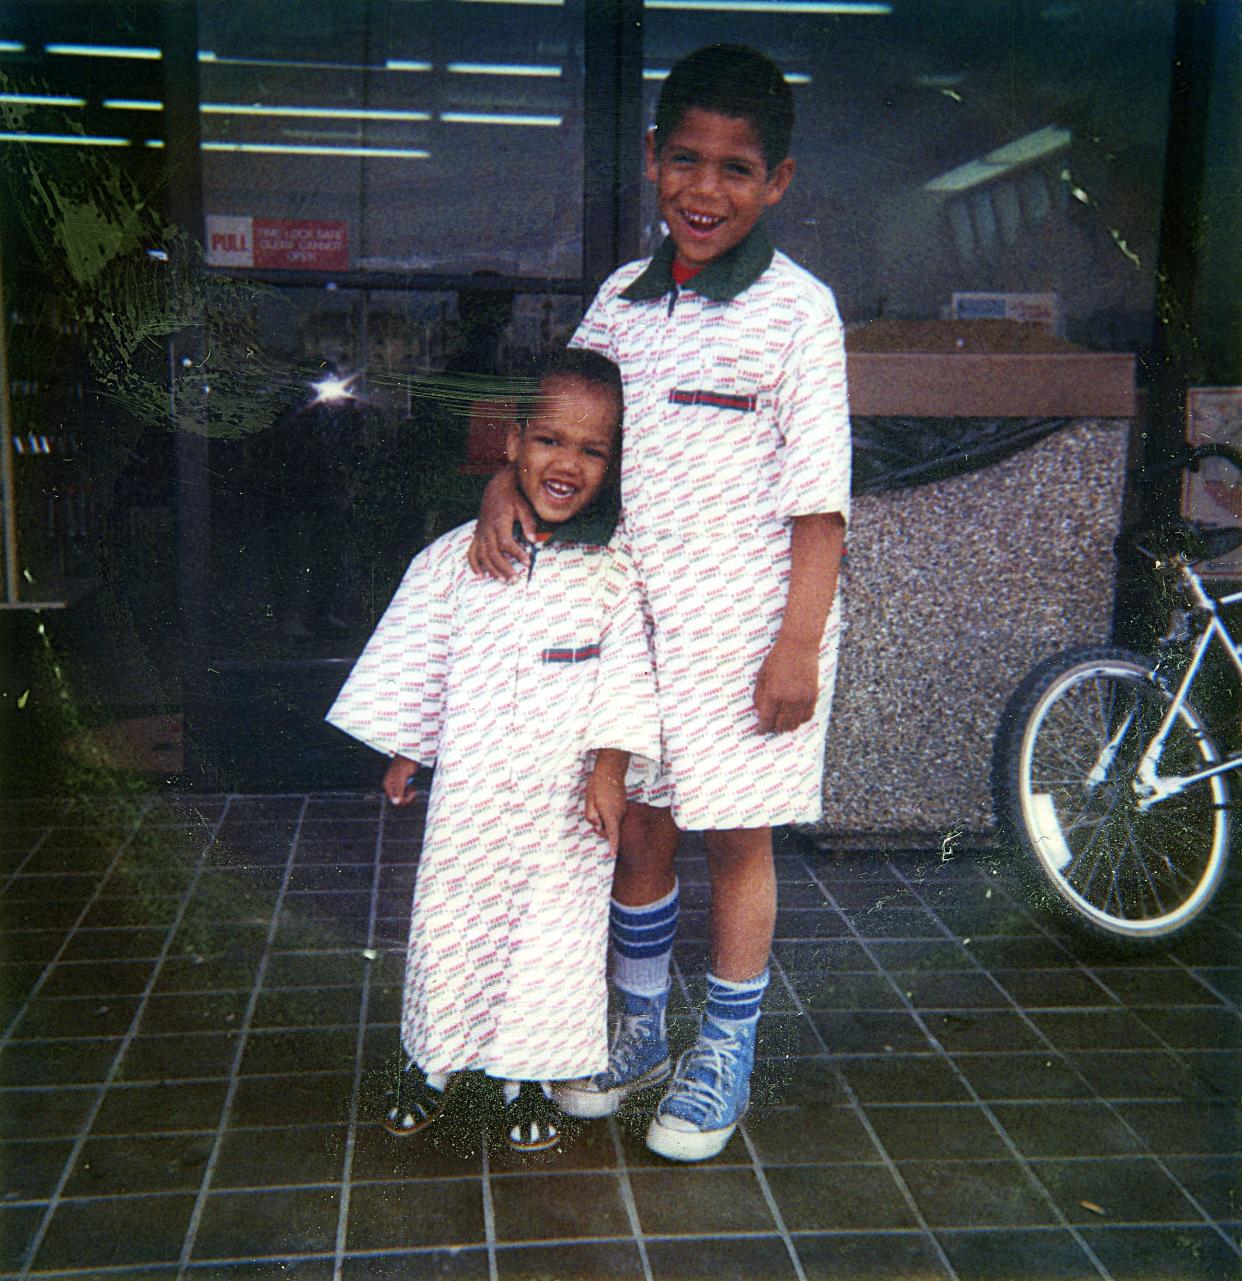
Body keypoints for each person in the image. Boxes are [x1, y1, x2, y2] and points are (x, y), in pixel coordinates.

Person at [468, 44, 850, 1162]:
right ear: (650, 160)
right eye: (685, 159)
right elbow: (563, 428)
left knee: (735, 837)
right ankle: (635, 1028)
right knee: (636, 826)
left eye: (737, 169)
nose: (705, 188)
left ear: (777, 182)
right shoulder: (620, 302)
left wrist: (797, 645)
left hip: (751, 638)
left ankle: (721, 1049)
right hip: (627, 628)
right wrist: (503, 477)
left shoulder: (798, 313)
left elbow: (820, 511)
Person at [326, 349, 661, 1150]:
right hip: (474, 793)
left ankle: (528, 1076)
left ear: (613, 466)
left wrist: (610, 771)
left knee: (552, 934)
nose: (567, 463)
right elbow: (422, 657)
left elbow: (626, 680)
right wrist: (409, 749)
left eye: (592, 450)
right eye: (550, 440)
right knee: (453, 921)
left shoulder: (613, 575)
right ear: (512, 444)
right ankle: (431, 1062)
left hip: (561, 803)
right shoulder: (455, 562)